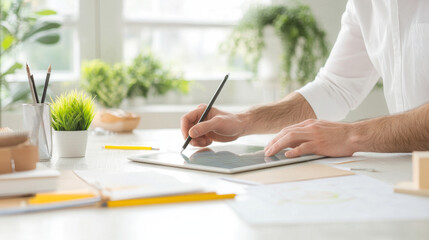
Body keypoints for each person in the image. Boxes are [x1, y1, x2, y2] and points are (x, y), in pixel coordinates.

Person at [181, 0, 429, 158]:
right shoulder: (364, 5)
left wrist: (351, 135)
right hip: (412, 174)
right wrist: (244, 121)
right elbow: (335, 87)